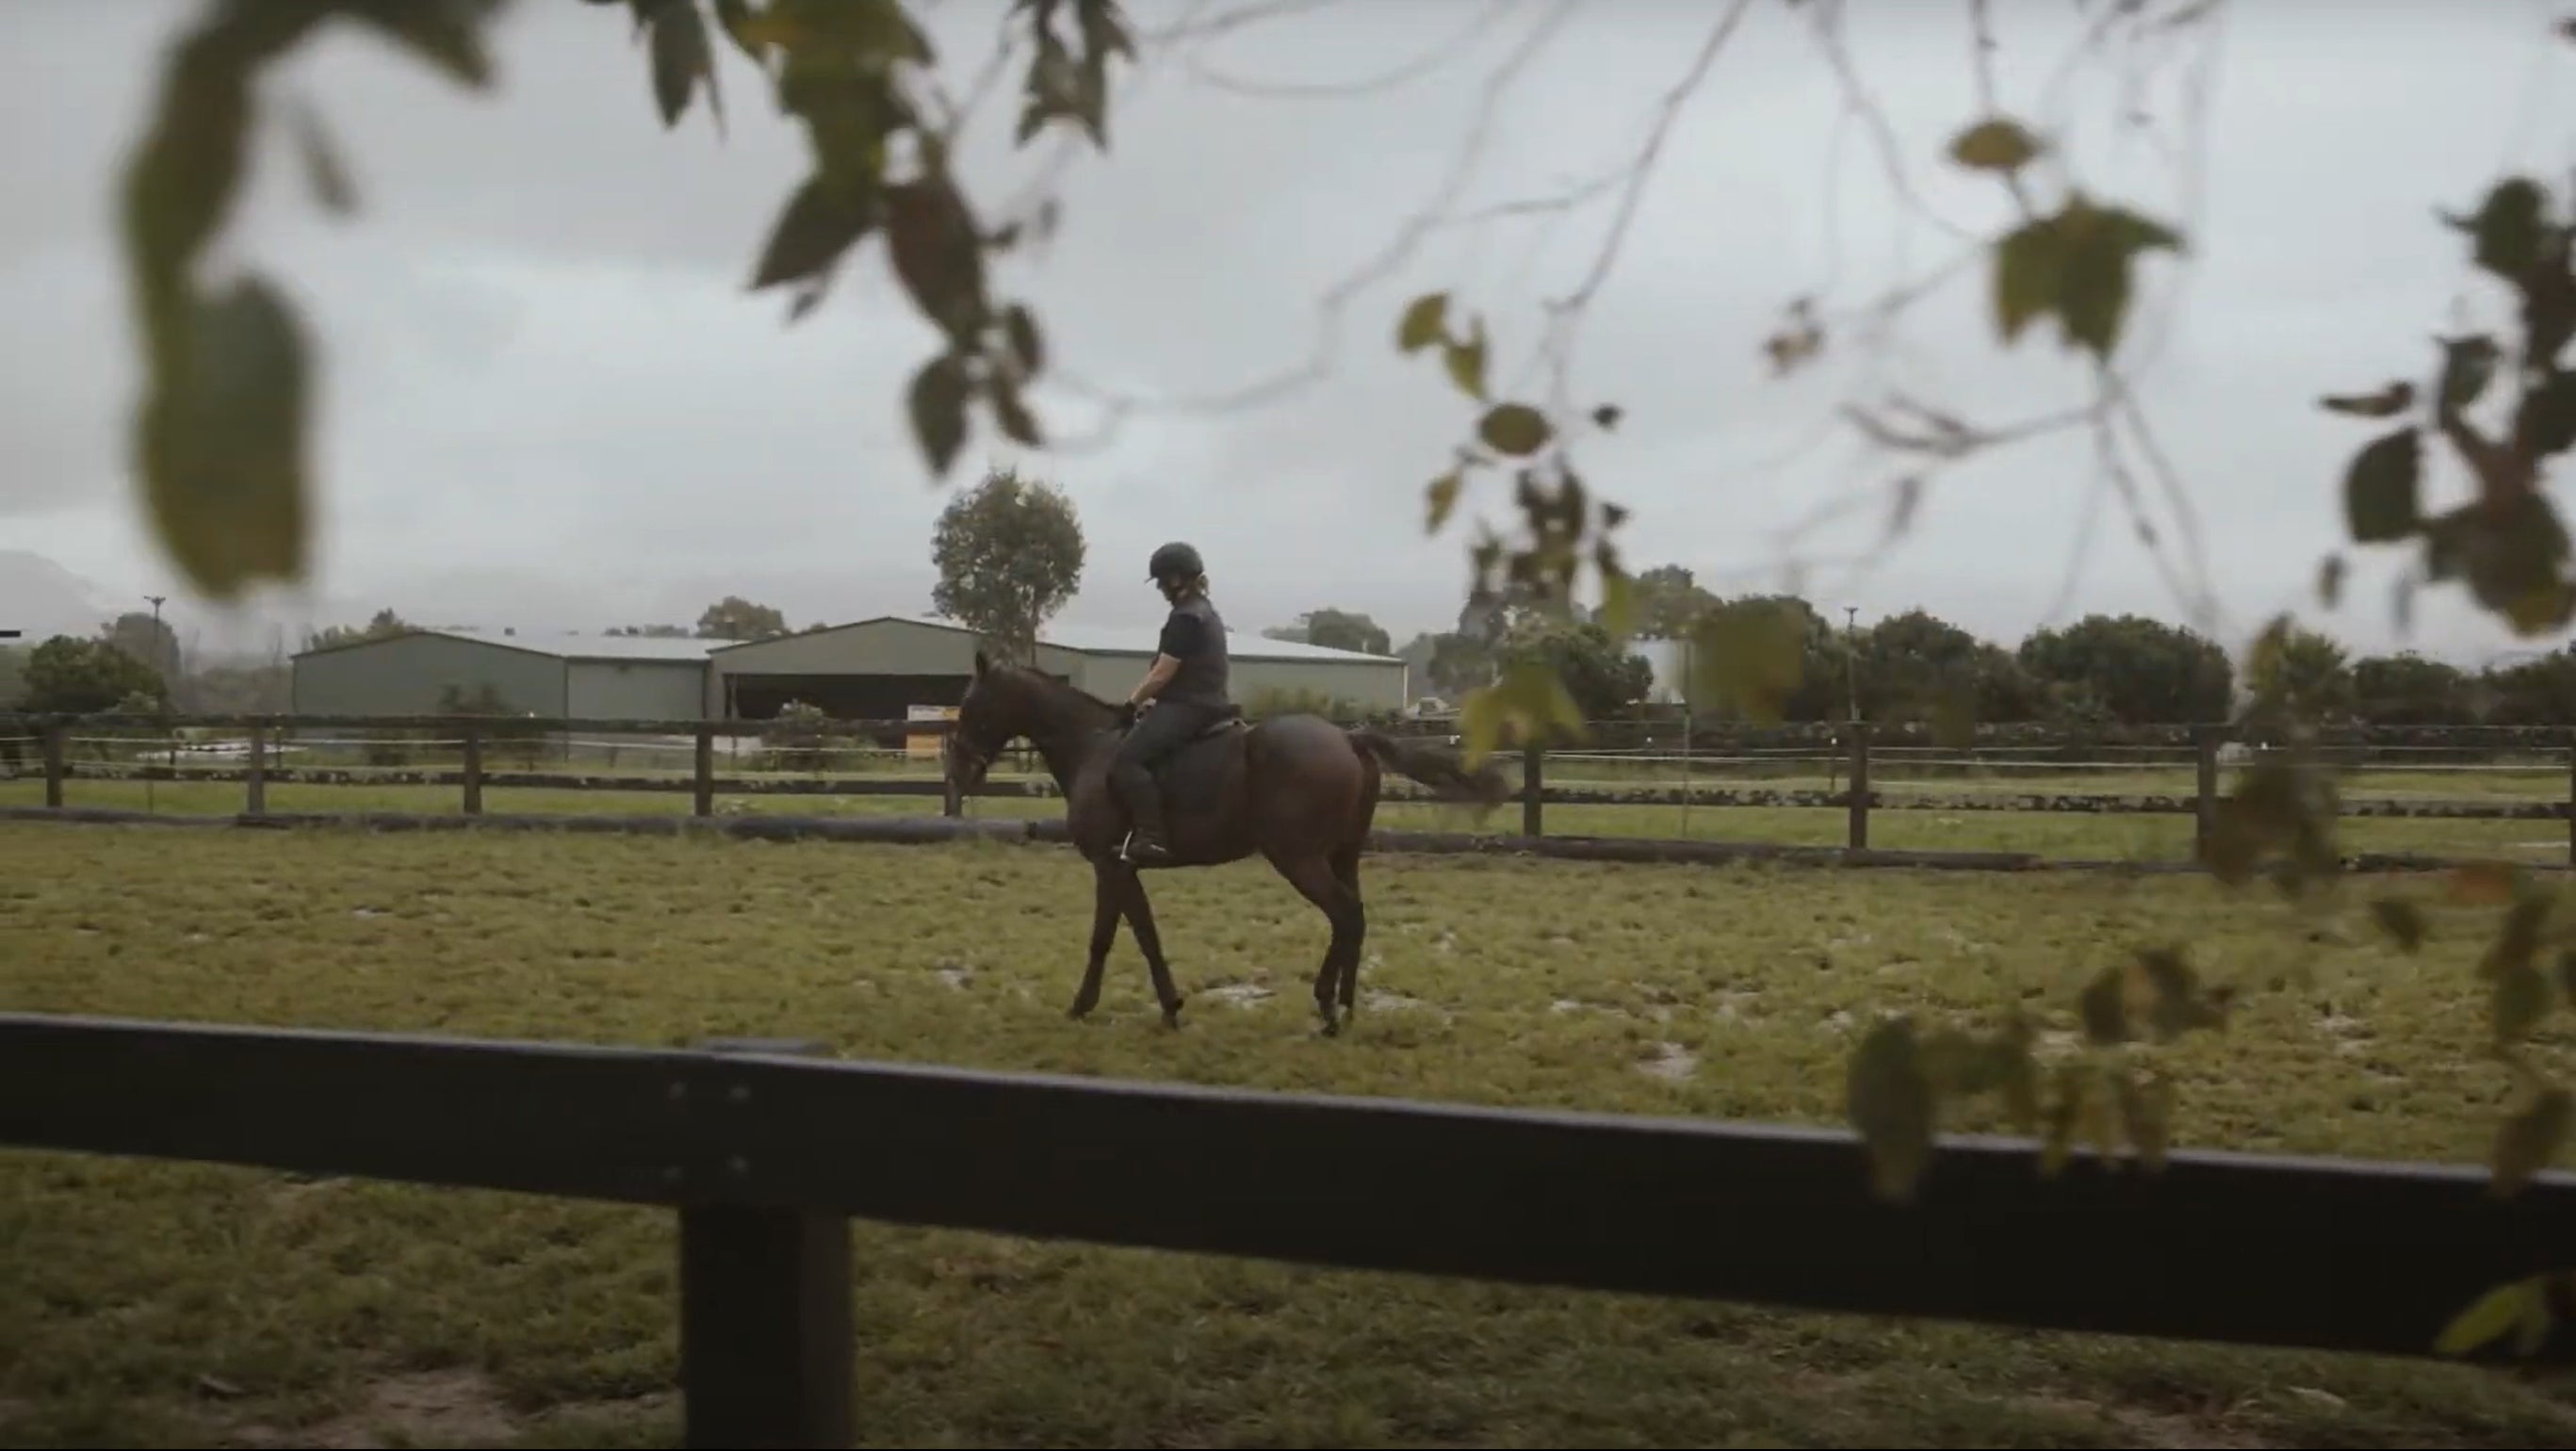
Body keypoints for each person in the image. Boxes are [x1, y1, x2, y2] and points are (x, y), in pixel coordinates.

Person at [1109, 540, 1232, 865]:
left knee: (1127, 761)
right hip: (1208, 701)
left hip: (1190, 707)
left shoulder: (1185, 617)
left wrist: (1131, 703)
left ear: (1176, 579)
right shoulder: (1206, 611)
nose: (1161, 588)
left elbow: (1162, 672)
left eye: (1163, 581)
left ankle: (1152, 838)